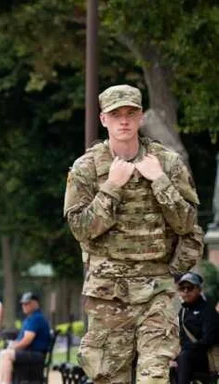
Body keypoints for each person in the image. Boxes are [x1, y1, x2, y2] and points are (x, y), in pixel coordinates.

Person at [64, 85, 203, 384]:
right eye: (116, 115)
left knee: (154, 377)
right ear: (104, 120)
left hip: (156, 288)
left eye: (130, 113)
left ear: (140, 117)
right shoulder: (86, 168)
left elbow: (187, 222)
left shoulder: (166, 163)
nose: (123, 121)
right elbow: (81, 229)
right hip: (107, 293)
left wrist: (160, 181)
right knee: (110, 377)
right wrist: (112, 186)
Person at [0, 293, 52, 384]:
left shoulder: (36, 318)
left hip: (36, 354)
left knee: (6, 354)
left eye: (27, 303)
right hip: (30, 353)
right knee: (4, 353)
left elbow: (27, 341)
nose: (24, 306)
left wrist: (13, 347)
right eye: (23, 304)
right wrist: (12, 345)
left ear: (35, 303)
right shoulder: (31, 318)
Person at [174, 272, 217, 384]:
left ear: (198, 289)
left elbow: (208, 339)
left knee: (184, 356)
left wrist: (186, 349)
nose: (186, 291)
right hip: (185, 355)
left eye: (190, 288)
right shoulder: (183, 311)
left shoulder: (207, 310)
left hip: (205, 357)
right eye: (182, 288)